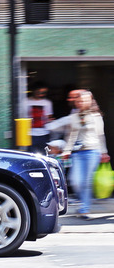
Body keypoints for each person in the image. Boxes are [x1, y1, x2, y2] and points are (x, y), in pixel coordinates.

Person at [61, 90, 110, 219]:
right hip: (77, 153)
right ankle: (83, 202)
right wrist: (67, 150)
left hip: (92, 151)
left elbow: (101, 135)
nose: (82, 103)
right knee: (75, 181)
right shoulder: (74, 117)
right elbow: (71, 136)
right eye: (79, 101)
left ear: (90, 101)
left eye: (85, 100)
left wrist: (104, 152)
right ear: (76, 102)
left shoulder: (96, 116)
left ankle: (85, 208)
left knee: (86, 182)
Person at [26, 83, 54, 154]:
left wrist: (50, 120)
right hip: (30, 134)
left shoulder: (47, 103)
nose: (41, 94)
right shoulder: (26, 102)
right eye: (39, 92)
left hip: (44, 133)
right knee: (31, 155)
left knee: (45, 154)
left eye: (43, 92)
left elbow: (49, 117)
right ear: (34, 91)